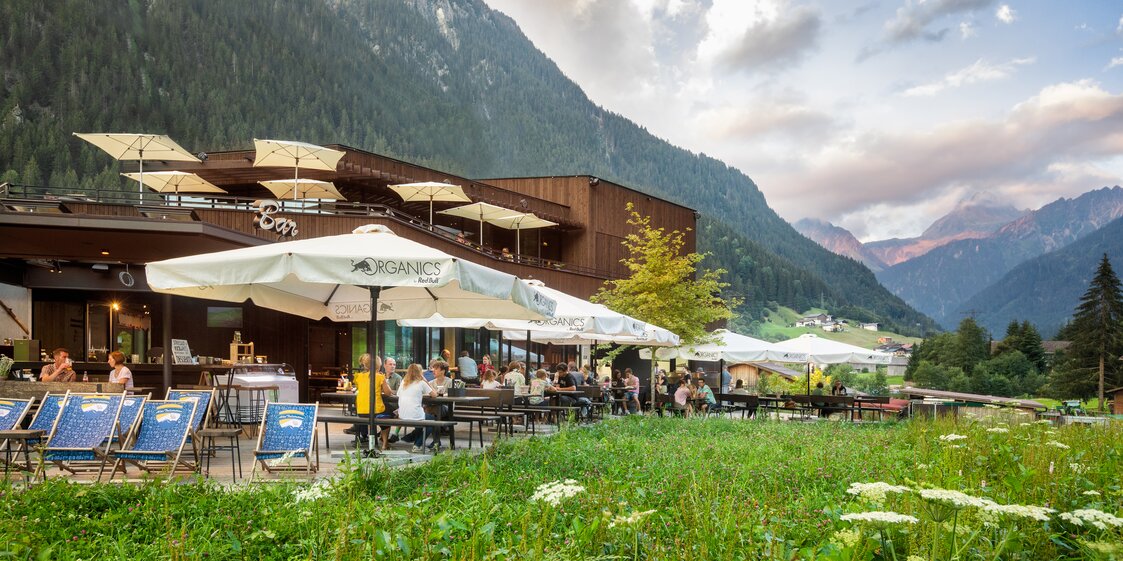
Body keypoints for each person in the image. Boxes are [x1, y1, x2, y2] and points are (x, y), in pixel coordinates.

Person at [350, 354, 395, 448]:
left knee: (385, 412)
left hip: (361, 411)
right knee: (389, 413)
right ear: (378, 365)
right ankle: (385, 443)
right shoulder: (379, 377)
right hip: (375, 411)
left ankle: (373, 440)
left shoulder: (358, 376)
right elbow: (388, 393)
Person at [396, 363, 438, 453]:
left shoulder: (403, 382)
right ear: (420, 372)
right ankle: (418, 445)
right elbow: (434, 394)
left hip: (402, 415)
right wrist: (426, 381)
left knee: (422, 421)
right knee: (432, 421)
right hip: (415, 414)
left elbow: (398, 394)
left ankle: (416, 442)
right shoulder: (421, 382)